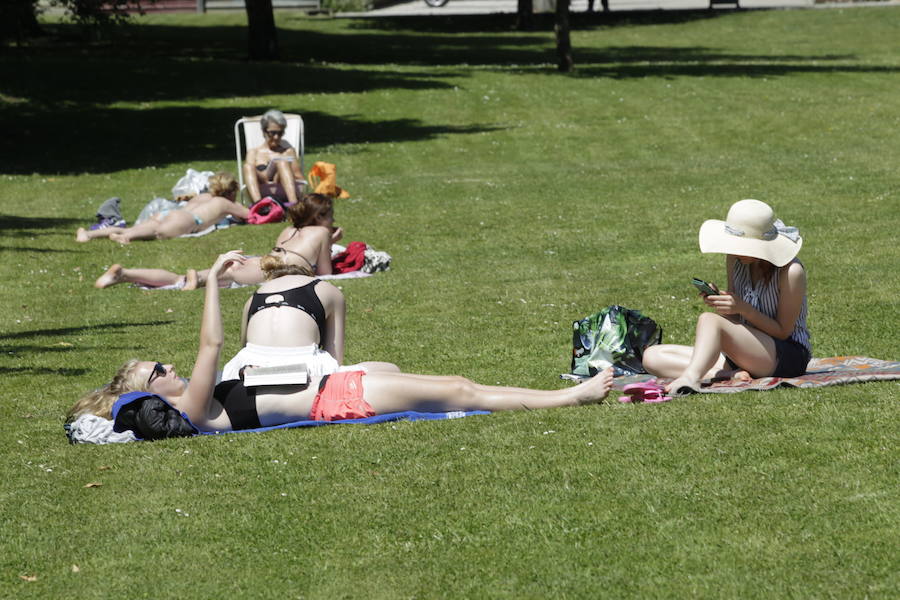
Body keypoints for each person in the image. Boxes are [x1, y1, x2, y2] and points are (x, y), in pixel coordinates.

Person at [68, 251, 613, 431]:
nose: (167, 368)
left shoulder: (196, 405)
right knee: (457, 387)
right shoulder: (190, 406)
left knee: (411, 375)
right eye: (155, 372)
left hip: (329, 390)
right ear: (154, 398)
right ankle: (570, 397)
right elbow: (210, 345)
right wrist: (212, 278)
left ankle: (565, 396)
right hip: (334, 400)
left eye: (158, 364)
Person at [642, 199, 811, 395]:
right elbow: (734, 321)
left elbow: (783, 331)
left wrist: (743, 308)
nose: (736, 250)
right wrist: (724, 304)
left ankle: (691, 378)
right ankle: (730, 374)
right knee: (651, 357)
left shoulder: (791, 272)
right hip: (746, 351)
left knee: (708, 320)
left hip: (786, 356)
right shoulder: (735, 258)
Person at [93, 193, 342, 290]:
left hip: (259, 261)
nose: (331, 220)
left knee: (183, 279)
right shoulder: (321, 234)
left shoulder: (289, 230)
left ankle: (125, 273)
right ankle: (194, 279)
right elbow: (325, 272)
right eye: (329, 215)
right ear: (319, 216)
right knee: (193, 280)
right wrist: (330, 243)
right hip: (268, 268)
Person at [76, 172, 248, 244]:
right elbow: (249, 215)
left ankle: (88, 234)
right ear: (231, 191)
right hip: (186, 220)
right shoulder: (225, 203)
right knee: (157, 233)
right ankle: (126, 237)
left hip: (171, 212)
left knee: (135, 228)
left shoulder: (204, 197)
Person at [244, 109, 306, 207]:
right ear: (264, 131)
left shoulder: (288, 151)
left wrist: (281, 169)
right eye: (272, 133)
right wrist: (265, 175)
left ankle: (294, 206)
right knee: (248, 166)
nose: (276, 137)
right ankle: (260, 206)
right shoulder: (254, 152)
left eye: (280, 133)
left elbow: (300, 179)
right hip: (262, 185)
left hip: (282, 187)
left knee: (282, 162)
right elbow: (249, 176)